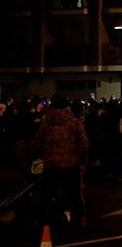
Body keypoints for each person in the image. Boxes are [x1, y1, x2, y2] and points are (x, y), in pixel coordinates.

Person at [33, 97, 89, 228]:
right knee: (74, 194)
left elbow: (36, 143)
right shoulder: (74, 123)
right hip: (71, 163)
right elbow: (84, 144)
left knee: (46, 194)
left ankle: (43, 220)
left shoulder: (45, 123)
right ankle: (78, 220)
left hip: (50, 164)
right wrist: (82, 159)